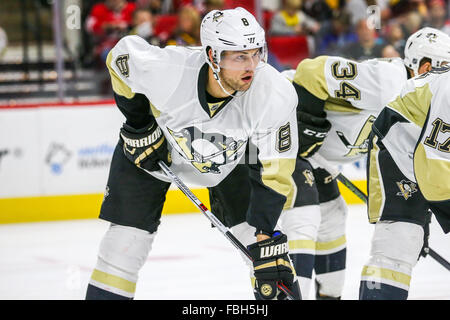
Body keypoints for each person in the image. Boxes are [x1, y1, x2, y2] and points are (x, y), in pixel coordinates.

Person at [85, 7, 301, 300]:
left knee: (273, 265)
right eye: (239, 56)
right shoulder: (170, 70)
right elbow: (120, 58)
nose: (252, 65)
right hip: (154, 149)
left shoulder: (274, 92)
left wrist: (264, 234)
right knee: (122, 248)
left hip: (231, 160)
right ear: (212, 56)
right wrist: (138, 125)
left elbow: (277, 172)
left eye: (256, 53)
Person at [275, 26, 450, 299]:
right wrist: (308, 126)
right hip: (278, 125)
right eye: (444, 69)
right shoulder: (389, 81)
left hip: (316, 156)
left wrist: (418, 225)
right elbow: (311, 71)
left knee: (334, 214)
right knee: (305, 215)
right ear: (425, 67)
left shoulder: (422, 108)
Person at [360, 29, 450, 300]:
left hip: (432, 155)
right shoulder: (446, 92)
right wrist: (419, 217)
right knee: (400, 239)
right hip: (399, 148)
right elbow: (435, 173)